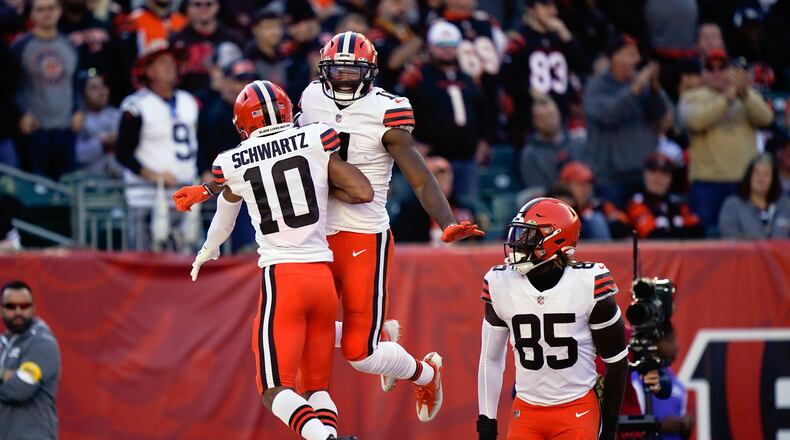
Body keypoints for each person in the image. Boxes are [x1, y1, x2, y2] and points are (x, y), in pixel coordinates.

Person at [174, 31, 484, 423]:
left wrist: (447, 222)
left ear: (369, 72)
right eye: (335, 70)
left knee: (359, 353)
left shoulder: (388, 110)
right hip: (315, 230)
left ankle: (426, 371)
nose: (342, 79)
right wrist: (209, 188)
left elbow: (420, 177)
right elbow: (272, 153)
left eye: (351, 71)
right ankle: (374, 343)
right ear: (323, 69)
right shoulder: (311, 97)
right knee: (304, 328)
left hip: (362, 232)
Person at [187, 80, 371, 440]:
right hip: (321, 276)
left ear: (243, 125)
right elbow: (362, 192)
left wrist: (206, 251)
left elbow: (223, 221)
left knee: (273, 389)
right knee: (316, 390)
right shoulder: (316, 137)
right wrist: (319, 184)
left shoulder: (231, 162)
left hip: (283, 279)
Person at [476, 198, 628, 440]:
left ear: (555, 239)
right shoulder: (499, 282)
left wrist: (610, 427)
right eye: (517, 234)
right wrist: (486, 422)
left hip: (576, 407)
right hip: (526, 409)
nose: (517, 243)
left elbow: (617, 361)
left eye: (527, 236)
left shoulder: (589, 283)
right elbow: (490, 359)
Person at [117, 40, 199, 250]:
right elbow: (122, 152)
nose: (170, 65)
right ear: (149, 70)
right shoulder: (135, 106)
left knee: (187, 261)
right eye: (163, 62)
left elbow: (199, 144)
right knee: (145, 263)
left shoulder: (189, 101)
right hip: (147, 198)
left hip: (185, 196)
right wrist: (154, 176)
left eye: (172, 61)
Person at [680, 49, 774, 231]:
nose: (716, 73)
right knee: (705, 241)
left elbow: (766, 119)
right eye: (710, 68)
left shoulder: (747, 95)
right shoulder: (692, 96)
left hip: (744, 183)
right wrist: (728, 98)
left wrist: (744, 94)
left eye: (722, 67)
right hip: (707, 184)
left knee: (749, 238)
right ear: (703, 73)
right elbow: (695, 121)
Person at [398, 20, 489, 205]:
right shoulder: (418, 76)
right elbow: (401, 110)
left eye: (451, 46)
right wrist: (413, 142)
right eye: (441, 46)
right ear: (431, 46)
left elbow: (483, 112)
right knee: (429, 205)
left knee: (468, 208)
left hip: (466, 157)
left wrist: (483, 142)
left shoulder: (467, 76)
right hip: (432, 157)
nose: (447, 50)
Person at [583, 33, 669, 207]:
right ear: (615, 57)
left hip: (644, 173)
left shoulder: (642, 83)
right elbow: (608, 115)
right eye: (631, 54)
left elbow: (661, 113)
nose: (637, 60)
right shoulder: (597, 86)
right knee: (617, 229)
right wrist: (634, 90)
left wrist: (654, 89)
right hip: (611, 178)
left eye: (637, 54)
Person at [11, 0, 79, 180]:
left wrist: (78, 109)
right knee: (38, 190)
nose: (46, 13)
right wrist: (21, 113)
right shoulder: (20, 46)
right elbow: (10, 86)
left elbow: (76, 81)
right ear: (31, 14)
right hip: (35, 129)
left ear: (60, 11)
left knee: (67, 188)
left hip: (66, 127)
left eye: (51, 8)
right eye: (40, 9)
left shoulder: (69, 45)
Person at [502, 0, 585, 146]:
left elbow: (581, 64)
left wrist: (567, 37)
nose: (552, 11)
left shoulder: (559, 37)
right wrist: (529, 90)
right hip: (529, 118)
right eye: (545, 6)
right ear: (532, 9)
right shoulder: (520, 38)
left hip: (561, 115)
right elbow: (506, 78)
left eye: (553, 6)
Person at [0, 281, 61, 440]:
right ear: (1, 310)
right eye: (11, 306)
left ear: (33, 308)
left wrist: (4, 375)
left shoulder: (42, 343)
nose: (18, 311)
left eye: (24, 305)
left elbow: (19, 389)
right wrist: (8, 375)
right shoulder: (2, 344)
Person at [390, 156, 478, 244]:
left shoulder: (465, 210)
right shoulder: (409, 211)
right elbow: (403, 245)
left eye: (445, 178)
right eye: (436, 178)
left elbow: (477, 244)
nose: (442, 183)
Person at [169, 0, 243, 94]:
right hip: (186, 99)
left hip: (226, 100)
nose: (203, 9)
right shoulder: (175, 40)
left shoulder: (234, 38)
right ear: (187, 8)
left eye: (209, 4)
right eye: (197, 4)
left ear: (218, 6)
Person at [625, 153, 704, 239]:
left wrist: (671, 230)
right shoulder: (636, 202)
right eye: (653, 171)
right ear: (645, 174)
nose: (658, 178)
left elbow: (698, 230)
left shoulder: (678, 202)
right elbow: (653, 235)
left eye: (664, 173)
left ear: (671, 178)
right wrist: (677, 228)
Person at [519, 96, 583, 192]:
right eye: (543, 118)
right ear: (535, 121)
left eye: (552, 115)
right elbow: (537, 191)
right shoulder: (530, 154)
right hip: (551, 202)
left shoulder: (577, 142)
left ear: (559, 115)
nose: (549, 121)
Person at [719, 154, 790, 239]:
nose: (761, 178)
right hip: (746, 252)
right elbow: (730, 238)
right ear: (749, 177)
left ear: (773, 179)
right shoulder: (732, 205)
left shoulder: (785, 204)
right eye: (757, 173)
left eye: (766, 174)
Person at [368, 0, 423, 92]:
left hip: (417, 93)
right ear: (380, 5)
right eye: (395, 2)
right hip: (389, 93)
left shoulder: (410, 29)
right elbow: (393, 63)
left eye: (404, 3)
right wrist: (419, 40)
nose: (400, 7)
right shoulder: (375, 31)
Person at [74, 69, 121, 176]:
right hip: (90, 184)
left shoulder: (119, 115)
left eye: (103, 86)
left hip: (119, 182)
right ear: (83, 93)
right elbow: (75, 155)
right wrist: (102, 143)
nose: (101, 92)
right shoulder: (78, 120)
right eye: (94, 88)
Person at [244, 8, 287, 89]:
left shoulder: (286, 56)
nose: (276, 32)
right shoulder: (248, 61)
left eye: (278, 26)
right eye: (269, 27)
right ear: (255, 29)